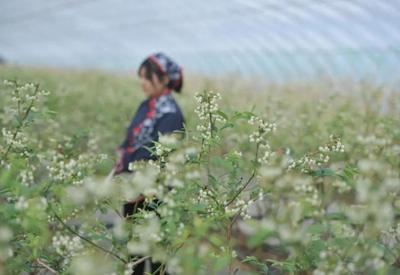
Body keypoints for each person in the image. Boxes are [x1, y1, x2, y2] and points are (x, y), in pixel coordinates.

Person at [113, 52, 185, 275]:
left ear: (163, 80)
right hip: (132, 190)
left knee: (156, 258)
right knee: (133, 254)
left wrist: (143, 186)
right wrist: (122, 153)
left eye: (146, 78)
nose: (142, 83)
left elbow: (162, 157)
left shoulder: (172, 115)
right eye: (141, 77)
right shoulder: (146, 106)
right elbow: (131, 138)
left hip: (155, 195)